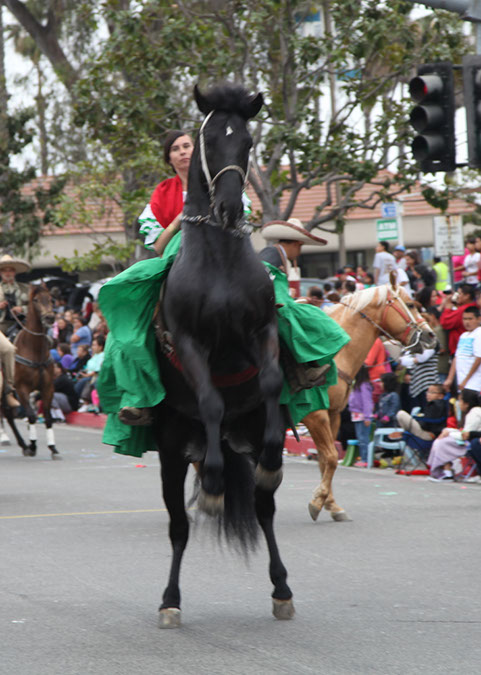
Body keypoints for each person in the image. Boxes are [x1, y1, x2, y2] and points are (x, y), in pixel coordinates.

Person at [427, 389, 481, 481]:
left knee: (443, 441)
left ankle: (446, 472)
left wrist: (450, 432)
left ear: (466, 403)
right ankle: (445, 471)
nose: (458, 404)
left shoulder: (475, 412)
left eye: (460, 401)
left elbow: (466, 434)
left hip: (471, 441)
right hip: (470, 439)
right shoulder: (470, 412)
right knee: (443, 439)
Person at [444, 306, 481, 395]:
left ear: (479, 319)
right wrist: (450, 378)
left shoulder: (479, 333)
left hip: (474, 384)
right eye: (464, 319)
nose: (467, 322)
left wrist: (466, 380)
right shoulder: (463, 335)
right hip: (461, 383)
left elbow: (478, 358)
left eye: (470, 319)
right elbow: (457, 357)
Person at [439, 284, 477, 355]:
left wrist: (447, 308)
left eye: (459, 293)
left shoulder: (463, 310)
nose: (457, 296)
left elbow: (445, 323)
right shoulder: (470, 307)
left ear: (467, 296)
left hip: (462, 350)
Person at [348, 364, 374, 467]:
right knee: (360, 438)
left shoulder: (364, 385)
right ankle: (363, 458)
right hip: (356, 415)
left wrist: (367, 417)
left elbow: (367, 402)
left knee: (364, 439)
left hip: (363, 416)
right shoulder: (357, 384)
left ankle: (365, 459)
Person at [0, 253, 30, 335]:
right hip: (3, 324)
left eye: (10, 270)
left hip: (24, 322)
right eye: (4, 270)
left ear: (14, 272)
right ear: (0, 273)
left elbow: (35, 306)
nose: (8, 273)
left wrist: (22, 309)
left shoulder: (25, 288)